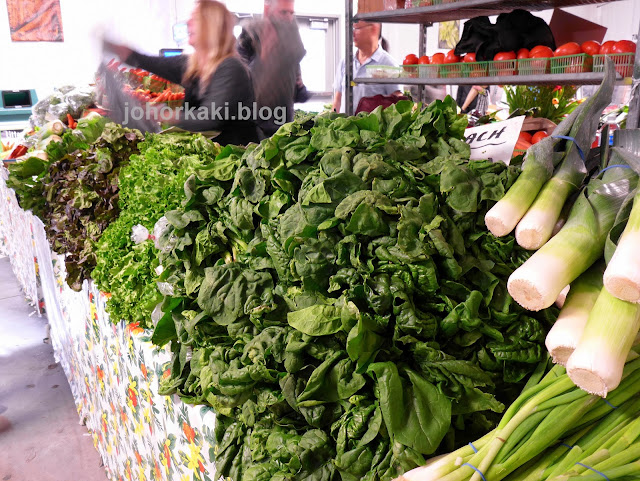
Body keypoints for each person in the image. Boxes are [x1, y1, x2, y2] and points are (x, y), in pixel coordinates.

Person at [104, 0, 262, 146]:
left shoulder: (231, 68)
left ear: (211, 26)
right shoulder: (194, 64)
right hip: (211, 153)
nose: (188, 23)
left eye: (195, 19)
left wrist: (165, 115)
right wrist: (123, 52)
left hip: (234, 159)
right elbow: (152, 62)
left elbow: (209, 118)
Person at [237, 0, 309, 136]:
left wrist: (300, 87)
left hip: (284, 129)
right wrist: (264, 58)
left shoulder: (290, 46)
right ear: (267, 11)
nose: (288, 18)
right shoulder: (249, 37)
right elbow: (239, 86)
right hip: (254, 130)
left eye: (291, 13)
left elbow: (299, 95)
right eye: (283, 12)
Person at [332, 21, 402, 114]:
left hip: (372, 128)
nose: (352, 33)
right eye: (352, 28)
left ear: (374, 28)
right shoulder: (345, 62)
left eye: (357, 28)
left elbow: (399, 102)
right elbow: (338, 100)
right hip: (345, 127)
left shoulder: (388, 64)